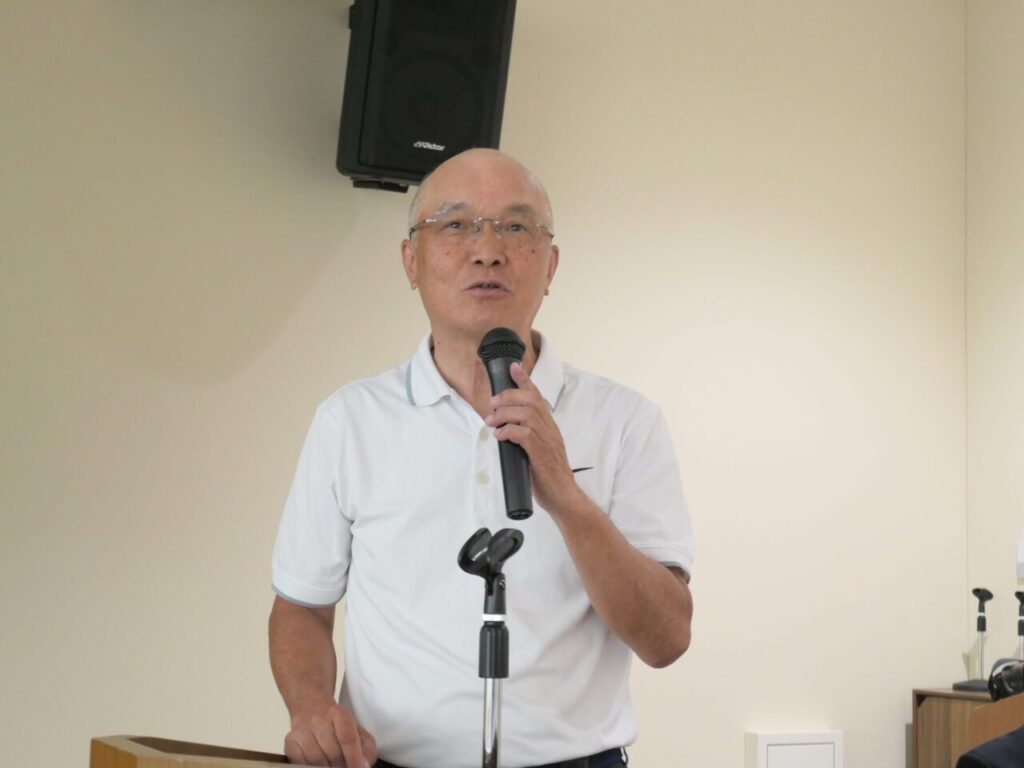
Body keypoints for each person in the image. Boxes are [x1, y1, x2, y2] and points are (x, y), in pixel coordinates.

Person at [269, 149, 695, 768]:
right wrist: (310, 705)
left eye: (515, 227)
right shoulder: (350, 420)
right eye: (456, 225)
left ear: (550, 266)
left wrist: (566, 497)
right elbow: (302, 605)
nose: (487, 250)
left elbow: (667, 639)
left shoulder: (625, 420)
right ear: (411, 261)